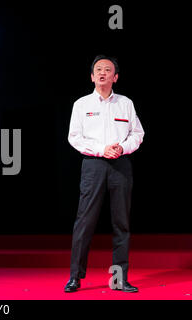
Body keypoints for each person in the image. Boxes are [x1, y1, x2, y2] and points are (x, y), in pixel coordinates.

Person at [65, 55, 145, 293]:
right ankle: (75, 278)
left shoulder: (126, 103)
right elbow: (74, 137)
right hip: (93, 165)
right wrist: (102, 149)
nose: (102, 73)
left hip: (121, 166)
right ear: (92, 76)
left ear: (115, 77)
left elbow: (138, 133)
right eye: (98, 69)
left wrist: (122, 147)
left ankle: (120, 279)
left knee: (121, 223)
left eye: (107, 70)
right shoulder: (81, 105)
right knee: (84, 222)